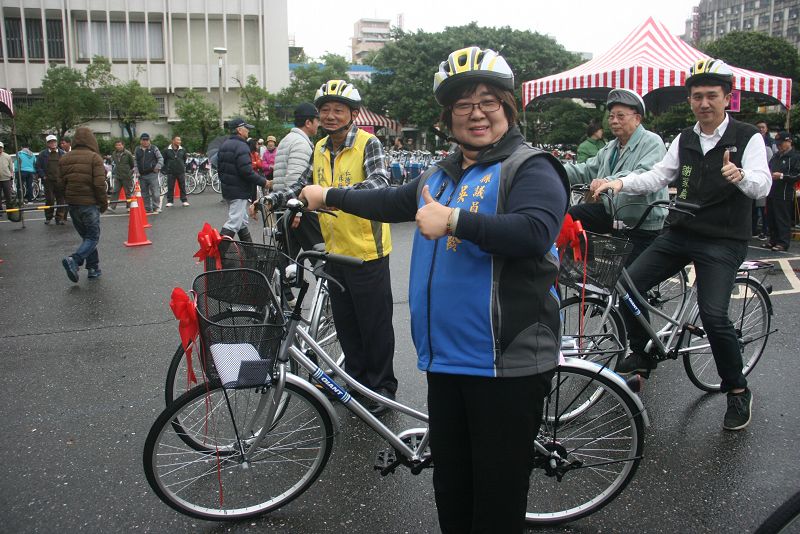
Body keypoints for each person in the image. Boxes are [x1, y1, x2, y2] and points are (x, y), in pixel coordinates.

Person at [300, 48, 568, 532]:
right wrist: (328, 196)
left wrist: (455, 221)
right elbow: (386, 200)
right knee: (452, 486)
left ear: (508, 107)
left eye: (489, 101)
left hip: (504, 362)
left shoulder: (530, 167)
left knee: (497, 495)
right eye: (463, 104)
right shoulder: (440, 174)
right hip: (445, 359)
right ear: (448, 117)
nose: (476, 113)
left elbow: (535, 231)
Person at [594, 58, 771, 431]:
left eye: (711, 96)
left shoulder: (747, 136)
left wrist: (739, 176)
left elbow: (762, 185)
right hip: (680, 232)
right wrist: (620, 183)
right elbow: (659, 175)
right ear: (690, 100)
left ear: (727, 98)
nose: (704, 103)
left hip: (723, 241)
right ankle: (643, 354)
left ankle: (737, 390)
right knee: (624, 285)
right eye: (696, 97)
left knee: (714, 315)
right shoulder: (684, 139)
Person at [267, 79, 397, 416]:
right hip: (333, 249)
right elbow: (303, 183)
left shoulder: (369, 143)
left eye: (338, 109)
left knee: (375, 324)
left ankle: (382, 388)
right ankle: (353, 379)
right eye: (325, 110)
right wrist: (281, 197)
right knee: (346, 323)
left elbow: (380, 183)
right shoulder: (320, 146)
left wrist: (336, 195)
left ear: (353, 114)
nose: (330, 115)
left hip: (367, 251)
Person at [564, 88, 668, 263]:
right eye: (611, 116)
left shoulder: (652, 142)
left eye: (621, 116)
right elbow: (586, 170)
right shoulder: (611, 147)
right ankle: (584, 267)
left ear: (637, 118)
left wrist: (608, 181)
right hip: (614, 215)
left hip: (641, 221)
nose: (614, 121)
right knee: (574, 215)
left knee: (626, 279)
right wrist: (552, 169)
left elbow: (643, 173)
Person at [271, 102, 324, 256]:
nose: (319, 124)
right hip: (297, 211)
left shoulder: (287, 139)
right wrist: (297, 212)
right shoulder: (301, 143)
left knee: (287, 259)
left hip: (283, 207)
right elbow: (296, 180)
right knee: (320, 256)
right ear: (308, 123)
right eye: (317, 120)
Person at [58, 127, 108, 282]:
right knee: (93, 237)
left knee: (87, 238)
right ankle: (75, 259)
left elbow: (60, 185)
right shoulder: (95, 158)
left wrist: (68, 198)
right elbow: (99, 184)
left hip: (73, 204)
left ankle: (93, 268)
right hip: (89, 203)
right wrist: (103, 203)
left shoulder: (64, 158)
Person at [218, 117, 267, 242]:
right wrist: (264, 182)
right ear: (239, 130)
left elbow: (220, 169)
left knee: (242, 221)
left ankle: (251, 255)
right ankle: (217, 254)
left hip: (228, 190)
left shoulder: (224, 145)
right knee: (234, 223)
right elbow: (247, 171)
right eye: (246, 129)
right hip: (238, 191)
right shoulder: (242, 146)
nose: (248, 131)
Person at [764, 131, 799, 252]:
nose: (779, 146)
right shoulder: (775, 156)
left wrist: (782, 176)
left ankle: (783, 242)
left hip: (785, 192)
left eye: (782, 143)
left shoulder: (795, 157)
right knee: (771, 217)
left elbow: (797, 174)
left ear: (789, 142)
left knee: (782, 218)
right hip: (772, 191)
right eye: (778, 143)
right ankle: (773, 239)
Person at [35, 134, 67, 224]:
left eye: (54, 141)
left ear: (56, 142)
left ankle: (59, 218)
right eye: (50, 142)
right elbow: (38, 167)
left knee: (61, 200)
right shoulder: (42, 154)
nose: (53, 143)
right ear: (47, 144)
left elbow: (66, 166)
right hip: (48, 181)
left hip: (60, 180)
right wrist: (43, 176)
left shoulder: (62, 154)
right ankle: (48, 217)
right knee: (50, 199)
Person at [134, 133, 163, 213]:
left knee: (155, 192)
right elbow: (135, 161)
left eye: (147, 140)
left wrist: (157, 167)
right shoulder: (137, 149)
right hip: (142, 175)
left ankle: (156, 207)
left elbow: (160, 158)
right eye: (144, 140)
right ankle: (147, 208)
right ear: (141, 141)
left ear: (149, 140)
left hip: (152, 174)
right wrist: (136, 171)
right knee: (144, 193)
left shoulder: (154, 148)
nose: (145, 142)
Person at [108, 139, 135, 212]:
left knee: (128, 192)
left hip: (127, 176)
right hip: (118, 176)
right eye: (117, 145)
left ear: (123, 145)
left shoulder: (128, 154)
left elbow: (132, 164)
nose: (118, 146)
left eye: (120, 145)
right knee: (115, 191)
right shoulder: (114, 154)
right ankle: (112, 206)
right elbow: (114, 163)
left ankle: (129, 206)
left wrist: (129, 172)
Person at [163, 135, 189, 207]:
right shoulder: (166, 150)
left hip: (180, 171)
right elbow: (164, 160)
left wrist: (181, 165)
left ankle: (184, 200)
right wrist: (168, 167)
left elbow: (184, 159)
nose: (179, 141)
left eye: (180, 140)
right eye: (177, 140)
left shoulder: (183, 149)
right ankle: (170, 201)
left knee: (182, 186)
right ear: (173, 141)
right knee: (170, 186)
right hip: (170, 171)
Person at [0, 142, 13, 217]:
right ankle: (0, 211)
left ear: (3, 148)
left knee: (8, 196)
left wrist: (11, 175)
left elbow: (11, 167)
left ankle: (10, 211)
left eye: (1, 147)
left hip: (6, 178)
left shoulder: (7, 156)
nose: (0, 149)